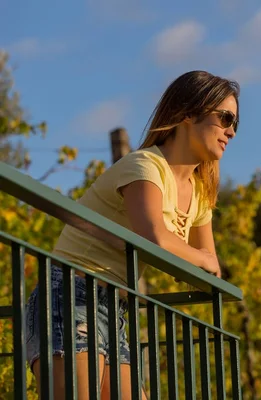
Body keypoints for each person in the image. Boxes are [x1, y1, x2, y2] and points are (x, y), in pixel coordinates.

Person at [24, 70, 240, 399]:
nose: (231, 131)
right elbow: (154, 238)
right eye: (225, 118)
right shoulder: (145, 166)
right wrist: (202, 259)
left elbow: (207, 273)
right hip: (72, 294)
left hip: (115, 307)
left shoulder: (200, 193)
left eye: (236, 123)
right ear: (187, 113)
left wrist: (202, 261)